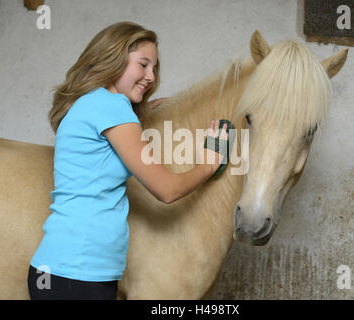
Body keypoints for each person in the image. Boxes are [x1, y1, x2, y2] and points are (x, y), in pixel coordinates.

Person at [27, 21, 228, 300]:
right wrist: (209, 163)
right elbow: (166, 190)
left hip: (64, 271)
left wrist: (149, 111)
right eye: (143, 64)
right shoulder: (111, 108)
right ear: (114, 58)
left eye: (155, 68)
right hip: (76, 274)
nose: (151, 76)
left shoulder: (92, 103)